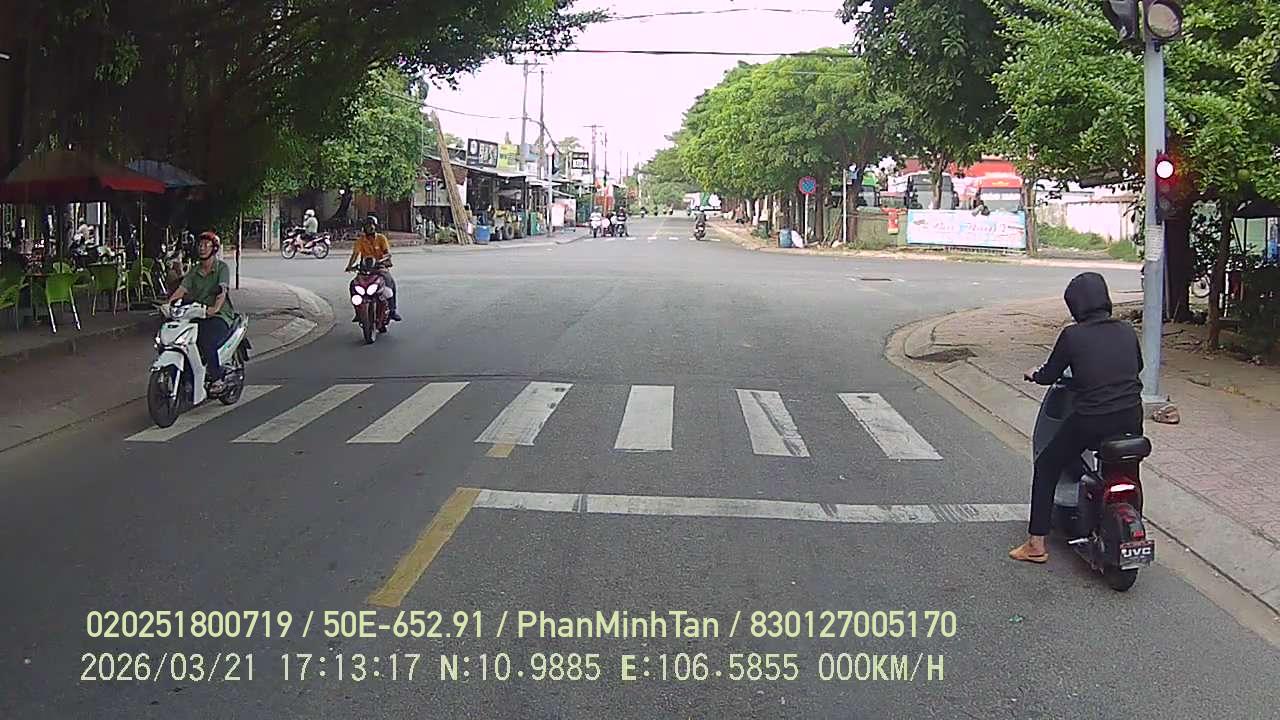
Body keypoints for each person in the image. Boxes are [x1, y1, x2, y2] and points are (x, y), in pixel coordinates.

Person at [1010, 272, 1144, 564]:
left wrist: (1033, 374)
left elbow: (1049, 374)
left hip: (1092, 419)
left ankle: (1036, 544)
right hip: (1132, 417)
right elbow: (1138, 366)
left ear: (1075, 305)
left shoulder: (1072, 336)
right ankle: (1132, 527)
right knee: (1127, 470)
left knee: (1047, 464)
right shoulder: (1126, 330)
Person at [166, 231, 235, 393]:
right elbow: (181, 290)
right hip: (197, 313)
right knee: (182, 338)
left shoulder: (221, 268)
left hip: (219, 315)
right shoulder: (194, 270)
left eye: (206, 245)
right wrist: (168, 305)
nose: (202, 248)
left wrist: (215, 308)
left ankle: (217, 379)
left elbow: (222, 291)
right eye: (200, 245)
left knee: (205, 339)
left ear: (214, 249)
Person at [345, 214, 400, 322]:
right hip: (365, 270)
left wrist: (384, 260)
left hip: (380, 268)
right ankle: (358, 311)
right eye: (367, 225)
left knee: (390, 283)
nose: (370, 227)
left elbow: (387, 253)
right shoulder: (360, 241)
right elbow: (355, 255)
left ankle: (392, 310)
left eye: (372, 225)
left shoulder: (381, 238)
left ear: (376, 226)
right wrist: (349, 266)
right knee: (353, 285)